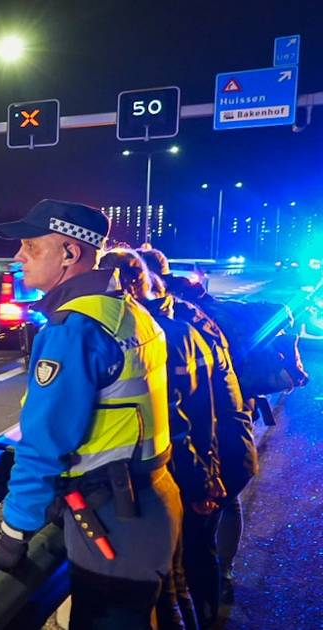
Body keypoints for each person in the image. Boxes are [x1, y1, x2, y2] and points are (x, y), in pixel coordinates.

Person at [0, 199, 180, 628]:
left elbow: (44, 441)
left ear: (69, 254)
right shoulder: (126, 309)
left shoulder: (74, 327)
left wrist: (17, 527)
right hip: (150, 502)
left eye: (30, 247)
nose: (18, 257)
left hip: (114, 519)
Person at [99, 249, 223, 630]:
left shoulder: (147, 335)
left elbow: (176, 417)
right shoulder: (177, 321)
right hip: (188, 471)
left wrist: (201, 478)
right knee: (184, 573)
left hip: (169, 477)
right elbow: (206, 408)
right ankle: (208, 614)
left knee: (171, 585)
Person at [140, 248, 257, 625]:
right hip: (233, 445)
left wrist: (200, 485)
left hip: (214, 459)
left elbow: (181, 420)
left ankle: (208, 611)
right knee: (206, 548)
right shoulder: (192, 312)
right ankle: (220, 585)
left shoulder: (168, 332)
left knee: (193, 561)